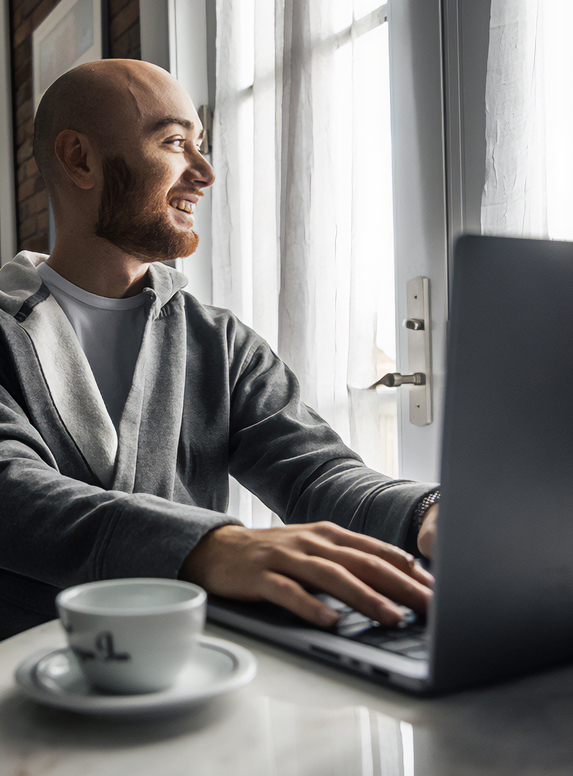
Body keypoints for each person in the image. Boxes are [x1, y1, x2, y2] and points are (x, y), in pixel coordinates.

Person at [0, 59, 438, 641]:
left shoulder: (219, 341)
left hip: (198, 674)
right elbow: (12, 492)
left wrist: (423, 513)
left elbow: (315, 474)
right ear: (81, 159)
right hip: (28, 685)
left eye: (200, 145)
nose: (204, 172)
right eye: (176, 142)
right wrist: (210, 547)